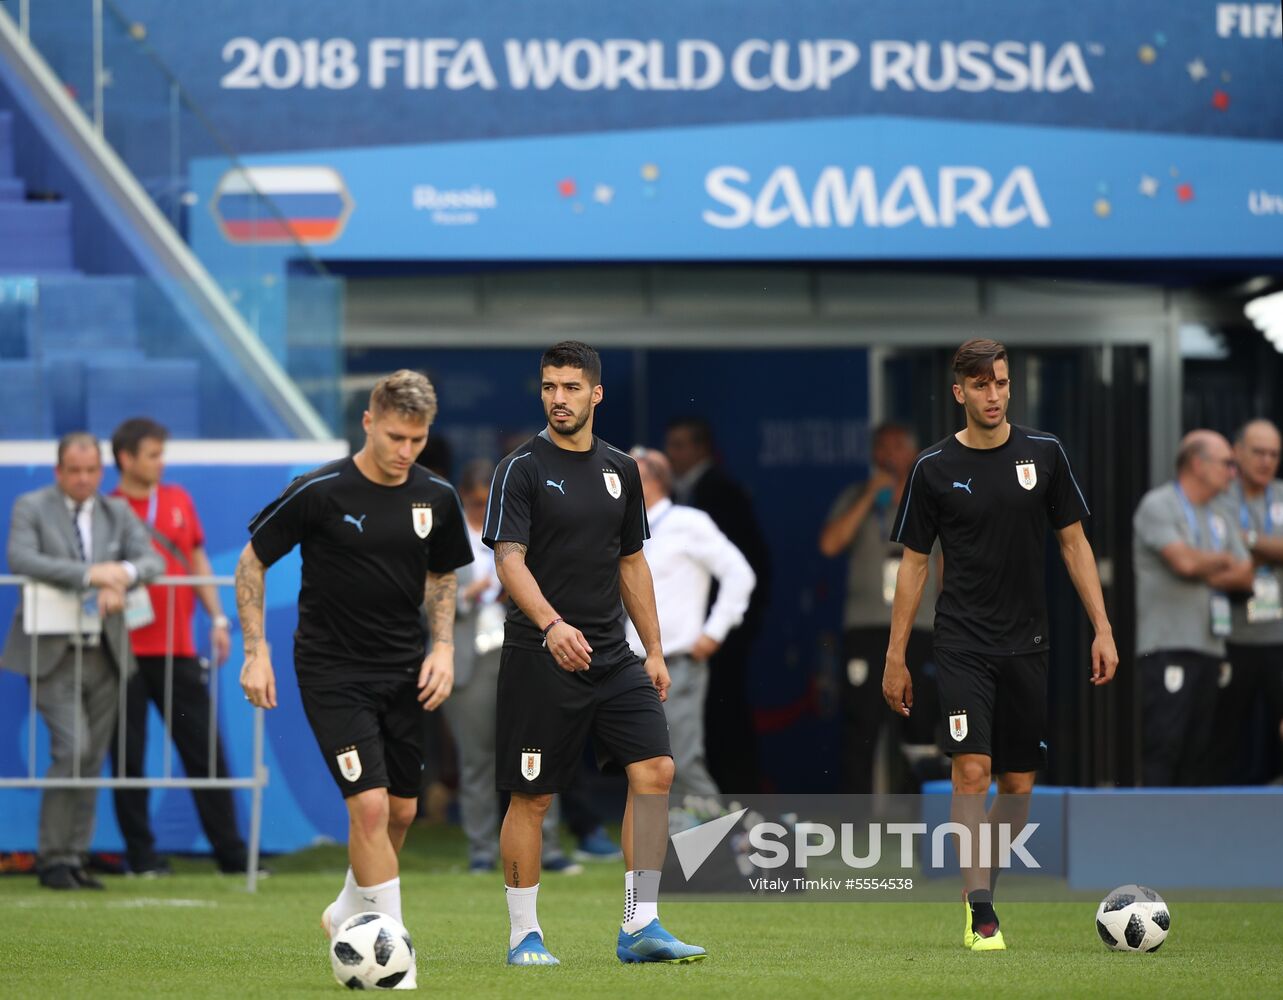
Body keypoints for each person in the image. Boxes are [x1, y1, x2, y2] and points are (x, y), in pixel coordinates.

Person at [236, 370, 473, 988]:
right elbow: (252, 562)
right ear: (368, 423)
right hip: (331, 671)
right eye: (396, 437)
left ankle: (346, 910)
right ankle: (394, 959)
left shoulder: (436, 497)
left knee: (400, 812)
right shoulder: (319, 491)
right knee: (368, 807)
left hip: (404, 670)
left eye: (418, 440)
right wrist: (255, 652)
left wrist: (443, 648)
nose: (406, 451)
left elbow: (443, 575)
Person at [883, 338, 1118, 952]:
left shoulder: (1045, 453)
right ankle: (981, 908)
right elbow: (913, 565)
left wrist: (1103, 627)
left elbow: (1074, 543)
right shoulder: (933, 467)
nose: (994, 395)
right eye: (982, 385)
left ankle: (982, 883)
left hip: (1028, 643)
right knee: (972, 772)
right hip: (961, 641)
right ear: (959, 391)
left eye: (1002, 383)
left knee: (1016, 786)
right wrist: (895, 655)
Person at [484, 340, 705, 966]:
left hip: (611, 654)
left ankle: (641, 924)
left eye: (571, 387)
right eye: (549, 387)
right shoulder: (519, 469)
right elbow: (508, 560)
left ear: (596, 394)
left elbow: (632, 563)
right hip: (540, 654)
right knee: (532, 797)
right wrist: (552, 624)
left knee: (655, 770)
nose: (559, 398)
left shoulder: (622, 469)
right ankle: (524, 935)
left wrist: (653, 650)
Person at [3, 433, 163, 890]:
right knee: (71, 749)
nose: (83, 478)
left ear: (101, 470)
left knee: (90, 758)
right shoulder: (32, 507)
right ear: (59, 471)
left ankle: (73, 857)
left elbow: (150, 561)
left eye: (91, 470)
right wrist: (90, 575)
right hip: (51, 651)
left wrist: (121, 575)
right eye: (74, 470)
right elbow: (21, 558)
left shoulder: (117, 511)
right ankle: (53, 857)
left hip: (105, 651)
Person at [107, 417, 252, 876]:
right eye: (152, 455)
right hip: (121, 653)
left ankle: (232, 857)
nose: (161, 463)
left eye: (161, 453)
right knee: (127, 759)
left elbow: (196, 558)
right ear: (126, 458)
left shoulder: (178, 499)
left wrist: (218, 618)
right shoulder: (107, 509)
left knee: (205, 753)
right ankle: (141, 858)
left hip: (177, 649)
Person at [442, 458, 587, 875]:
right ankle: (482, 851)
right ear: (463, 498)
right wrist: (468, 596)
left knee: (537, 753)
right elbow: (424, 598)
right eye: (475, 503)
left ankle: (548, 848)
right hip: (470, 657)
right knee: (477, 760)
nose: (482, 510)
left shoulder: (527, 526)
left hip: (524, 650)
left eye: (489, 503)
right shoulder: (447, 535)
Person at [625, 445, 755, 806]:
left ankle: (719, 837)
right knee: (645, 764)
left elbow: (739, 573)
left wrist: (714, 632)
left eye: (628, 474)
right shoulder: (623, 526)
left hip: (677, 662)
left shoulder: (687, 522)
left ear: (652, 481)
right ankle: (661, 839)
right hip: (631, 664)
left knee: (680, 759)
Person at [819, 422, 942, 793]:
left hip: (921, 627)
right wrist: (870, 495)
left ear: (914, 453)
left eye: (897, 446)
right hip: (867, 628)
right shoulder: (857, 496)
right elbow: (830, 544)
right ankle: (857, 817)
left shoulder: (932, 498)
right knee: (862, 723)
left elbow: (945, 566)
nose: (888, 455)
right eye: (881, 447)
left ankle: (917, 813)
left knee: (919, 724)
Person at [1133, 430, 1255, 788]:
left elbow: (1246, 575)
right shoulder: (1159, 505)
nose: (1234, 472)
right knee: (1164, 745)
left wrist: (1206, 565)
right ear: (1198, 464)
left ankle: (1188, 822)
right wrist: (1222, 561)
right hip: (1168, 647)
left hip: (1211, 648)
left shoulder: (1219, 513)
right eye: (1227, 463)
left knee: (1199, 752)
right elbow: (1183, 563)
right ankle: (1155, 820)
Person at [665, 416, 770, 793]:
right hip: (698, 634)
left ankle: (734, 799)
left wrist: (720, 628)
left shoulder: (719, 493)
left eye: (679, 445)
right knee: (700, 725)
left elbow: (745, 569)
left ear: (701, 448)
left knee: (724, 718)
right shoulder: (684, 494)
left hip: (716, 634)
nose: (672, 454)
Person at [1218, 420, 1283, 782]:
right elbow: (1217, 554)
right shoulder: (1220, 495)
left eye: (1274, 454)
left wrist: (1248, 540)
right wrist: (1269, 550)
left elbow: (1236, 549)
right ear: (1237, 452)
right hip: (1231, 638)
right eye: (1259, 452)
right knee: (1226, 736)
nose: (1266, 461)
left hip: (1279, 638)